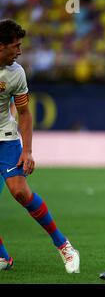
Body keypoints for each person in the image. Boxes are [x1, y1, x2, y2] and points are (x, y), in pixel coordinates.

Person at [0, 19, 80, 273]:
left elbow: (24, 113)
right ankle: (3, 258)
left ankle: (63, 245)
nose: (20, 51)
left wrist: (27, 151)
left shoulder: (16, 73)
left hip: (6, 136)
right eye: (16, 46)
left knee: (20, 192)